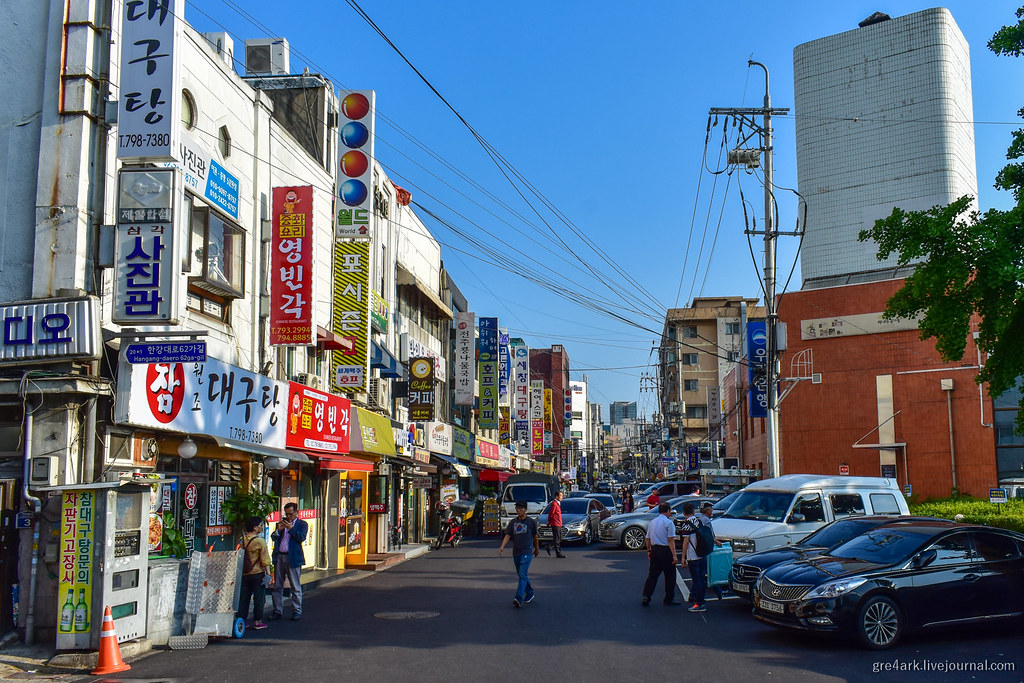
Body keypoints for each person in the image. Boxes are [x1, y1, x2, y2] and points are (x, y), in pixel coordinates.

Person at [269, 502, 308, 621]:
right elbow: (273, 538)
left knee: (295, 585)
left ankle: (296, 610)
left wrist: (291, 529)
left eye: (291, 514)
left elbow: (301, 537)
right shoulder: (281, 524)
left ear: (297, 512)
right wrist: (278, 531)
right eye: (286, 514)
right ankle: (277, 610)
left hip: (293, 557)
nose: (288, 517)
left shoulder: (302, 524)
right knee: (277, 585)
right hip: (280, 556)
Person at [497, 500, 540, 607]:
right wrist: (502, 546)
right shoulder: (513, 522)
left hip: (527, 552)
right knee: (522, 574)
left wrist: (536, 548)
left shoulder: (531, 522)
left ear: (526, 509)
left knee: (522, 574)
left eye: (521, 508)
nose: (519, 510)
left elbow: (535, 536)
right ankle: (530, 592)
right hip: (516, 552)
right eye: (517, 508)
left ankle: (518, 597)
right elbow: (508, 535)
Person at [679, 500, 715, 612]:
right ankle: (700, 600)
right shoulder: (699, 521)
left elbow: (686, 542)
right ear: (694, 511)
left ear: (684, 513)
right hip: (702, 554)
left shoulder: (686, 525)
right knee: (701, 579)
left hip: (693, 556)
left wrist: (683, 557)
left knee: (697, 580)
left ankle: (699, 603)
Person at [237, 516, 272, 630]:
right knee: (259, 598)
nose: (261, 527)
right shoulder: (259, 541)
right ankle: (258, 621)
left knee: (244, 598)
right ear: (255, 527)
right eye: (260, 525)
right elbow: (265, 560)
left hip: (245, 573)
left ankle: (242, 621)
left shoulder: (242, 540)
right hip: (257, 573)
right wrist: (268, 574)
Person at [641, 502, 679, 606]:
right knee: (670, 575)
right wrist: (674, 555)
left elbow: (647, 538)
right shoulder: (669, 523)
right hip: (666, 550)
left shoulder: (652, 522)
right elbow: (671, 540)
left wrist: (649, 550)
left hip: (655, 550)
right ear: (668, 511)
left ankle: (646, 596)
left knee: (653, 575)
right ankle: (668, 598)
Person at [700, 501, 725, 599]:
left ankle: (693, 594)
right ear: (708, 510)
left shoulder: (701, 519)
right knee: (709, 571)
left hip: (702, 548)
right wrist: (717, 542)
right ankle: (718, 591)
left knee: (703, 572)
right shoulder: (706, 521)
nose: (712, 511)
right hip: (707, 548)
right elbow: (708, 535)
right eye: (711, 509)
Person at [545, 491, 566, 558]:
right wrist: (549, 521)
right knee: (557, 538)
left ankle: (549, 546)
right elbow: (551, 513)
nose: (562, 497)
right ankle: (558, 553)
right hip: (555, 523)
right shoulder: (554, 504)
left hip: (559, 523)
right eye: (560, 496)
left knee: (560, 537)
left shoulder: (558, 504)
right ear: (557, 496)